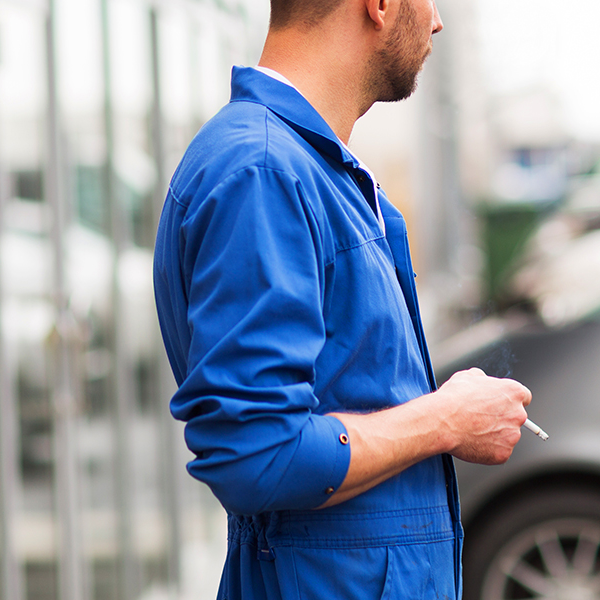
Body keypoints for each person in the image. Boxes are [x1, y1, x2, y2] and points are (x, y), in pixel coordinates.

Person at [152, 0, 532, 597]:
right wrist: (447, 419)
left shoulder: (303, 166)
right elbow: (260, 453)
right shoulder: (264, 171)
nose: (437, 21)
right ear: (378, 6)